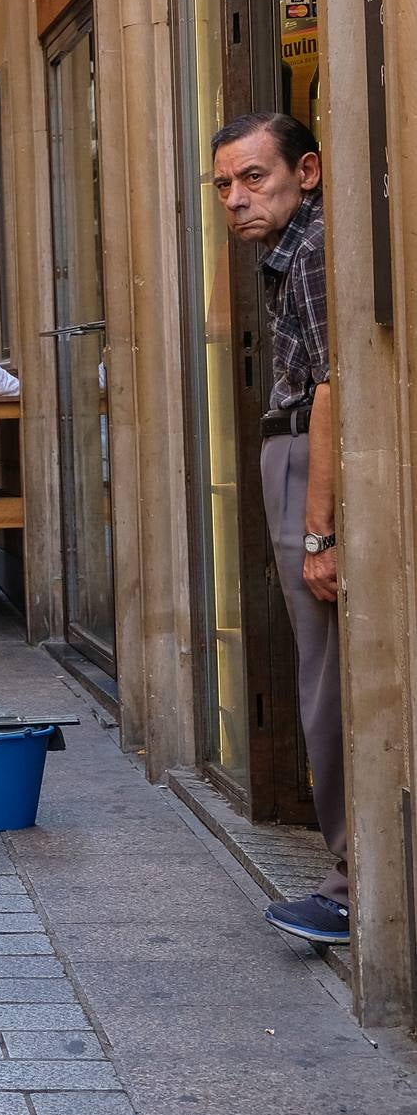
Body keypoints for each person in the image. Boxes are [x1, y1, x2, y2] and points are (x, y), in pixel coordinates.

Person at [212, 110, 347, 946]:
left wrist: (319, 532)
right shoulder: (290, 254)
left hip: (309, 459)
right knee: (319, 668)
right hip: (298, 457)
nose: (235, 198)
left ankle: (349, 881)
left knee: (324, 673)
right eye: (223, 185)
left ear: (308, 170)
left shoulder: (315, 253)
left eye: (253, 177)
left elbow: (332, 386)